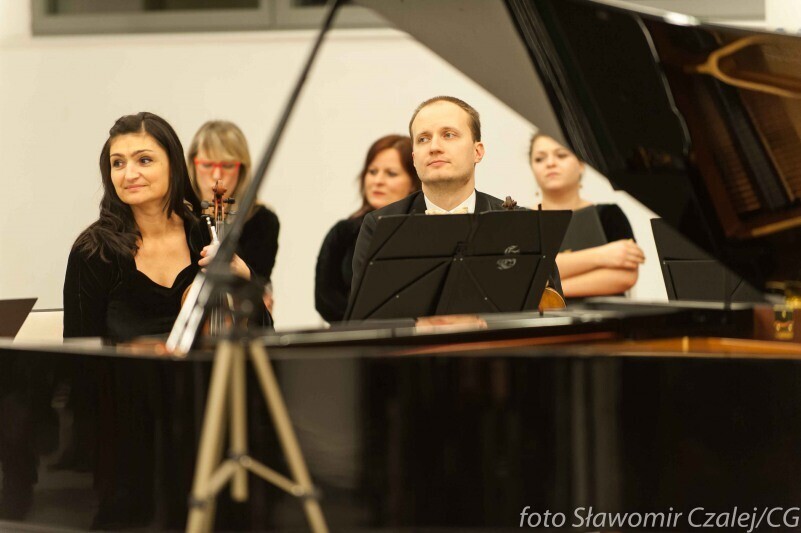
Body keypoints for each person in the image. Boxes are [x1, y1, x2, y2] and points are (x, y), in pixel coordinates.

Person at [346, 96, 562, 318]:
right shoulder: (378, 225)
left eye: (448, 135)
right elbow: (365, 321)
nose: (434, 147)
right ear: (414, 158)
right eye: (423, 139)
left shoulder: (523, 225)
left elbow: (550, 315)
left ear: (477, 151)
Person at [315, 135, 421, 323]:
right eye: (372, 171)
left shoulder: (427, 230)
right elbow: (325, 300)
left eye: (391, 174)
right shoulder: (343, 232)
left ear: (413, 182)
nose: (378, 181)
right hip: (355, 335)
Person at [529, 133, 645, 298]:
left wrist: (546, 290)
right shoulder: (521, 221)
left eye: (561, 155)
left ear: (582, 163)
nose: (550, 163)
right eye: (540, 159)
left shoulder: (608, 214)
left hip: (607, 313)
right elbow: (527, 273)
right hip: (545, 315)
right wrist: (603, 255)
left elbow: (625, 276)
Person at [187, 120, 280, 311]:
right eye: (207, 165)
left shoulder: (263, 221)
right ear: (193, 165)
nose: (217, 175)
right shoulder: (179, 217)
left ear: (242, 169)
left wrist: (244, 273)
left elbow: (260, 284)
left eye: (228, 165)